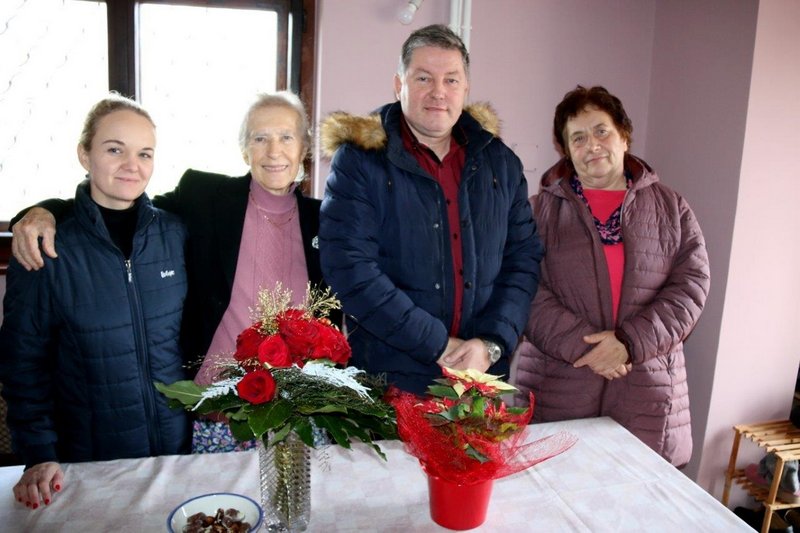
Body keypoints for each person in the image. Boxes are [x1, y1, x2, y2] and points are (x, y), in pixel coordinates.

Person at [8, 91, 329, 453]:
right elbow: (121, 208)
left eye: (286, 137)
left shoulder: (326, 220)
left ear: (304, 147)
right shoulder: (205, 198)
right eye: (260, 138)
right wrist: (44, 210)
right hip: (217, 415)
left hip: (300, 413)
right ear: (244, 149)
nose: (274, 150)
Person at [318, 24, 543, 395]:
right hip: (389, 383)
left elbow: (524, 259)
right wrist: (438, 344)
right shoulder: (359, 161)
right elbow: (350, 268)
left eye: (451, 80)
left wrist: (491, 343)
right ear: (398, 84)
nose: (438, 92)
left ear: (466, 89)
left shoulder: (501, 164)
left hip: (480, 380)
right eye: (423, 78)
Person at [0, 94, 190, 509]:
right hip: (88, 460)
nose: (131, 165)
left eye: (145, 153)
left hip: (176, 452)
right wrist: (39, 453)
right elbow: (22, 361)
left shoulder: (175, 234)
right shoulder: (46, 246)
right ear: (84, 154)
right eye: (114, 149)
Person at [511, 86, 710, 467]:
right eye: (578, 137)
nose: (593, 145)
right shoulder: (535, 213)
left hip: (647, 395)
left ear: (624, 134)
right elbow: (523, 288)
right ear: (566, 150)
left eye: (601, 131)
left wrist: (629, 342)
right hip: (558, 389)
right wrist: (587, 347)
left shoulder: (672, 208)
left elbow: (691, 287)